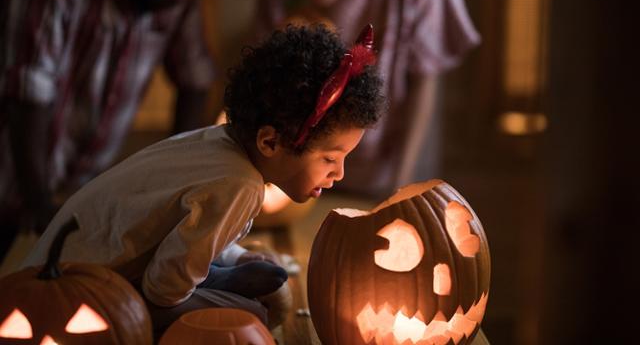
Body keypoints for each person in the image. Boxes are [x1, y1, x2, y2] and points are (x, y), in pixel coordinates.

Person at [21, 24, 385, 335]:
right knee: (254, 317)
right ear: (270, 141)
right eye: (330, 158)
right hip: (80, 294)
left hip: (51, 272)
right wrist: (225, 290)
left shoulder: (216, 143)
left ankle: (222, 276)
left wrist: (236, 257)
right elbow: (164, 289)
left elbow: (187, 232)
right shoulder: (239, 184)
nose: (339, 172)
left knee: (244, 288)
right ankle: (222, 282)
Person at [0, 0, 215, 260]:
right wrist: (37, 199)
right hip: (12, 178)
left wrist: (179, 187)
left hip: (81, 191)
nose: (167, 0)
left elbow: (194, 76)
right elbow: (29, 86)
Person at [255, 0, 480, 197]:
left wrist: (400, 184)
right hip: (294, 169)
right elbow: (263, 72)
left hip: (386, 172)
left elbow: (422, 86)